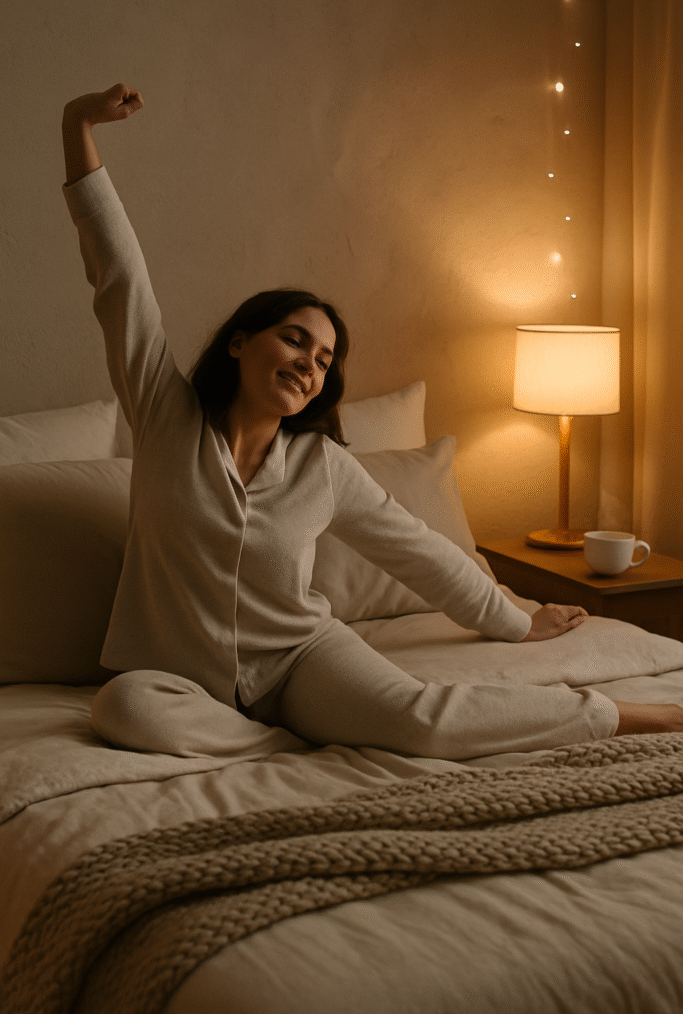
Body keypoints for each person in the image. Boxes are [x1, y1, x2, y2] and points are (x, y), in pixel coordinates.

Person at [61, 83, 683, 762]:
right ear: (241, 341)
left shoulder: (320, 467)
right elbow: (120, 281)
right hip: (178, 683)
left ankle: (632, 715)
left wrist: (514, 620)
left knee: (422, 721)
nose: (309, 364)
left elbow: (417, 551)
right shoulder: (165, 416)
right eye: (295, 340)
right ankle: (280, 743)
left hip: (299, 660)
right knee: (120, 707)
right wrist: (77, 128)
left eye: (324, 359)